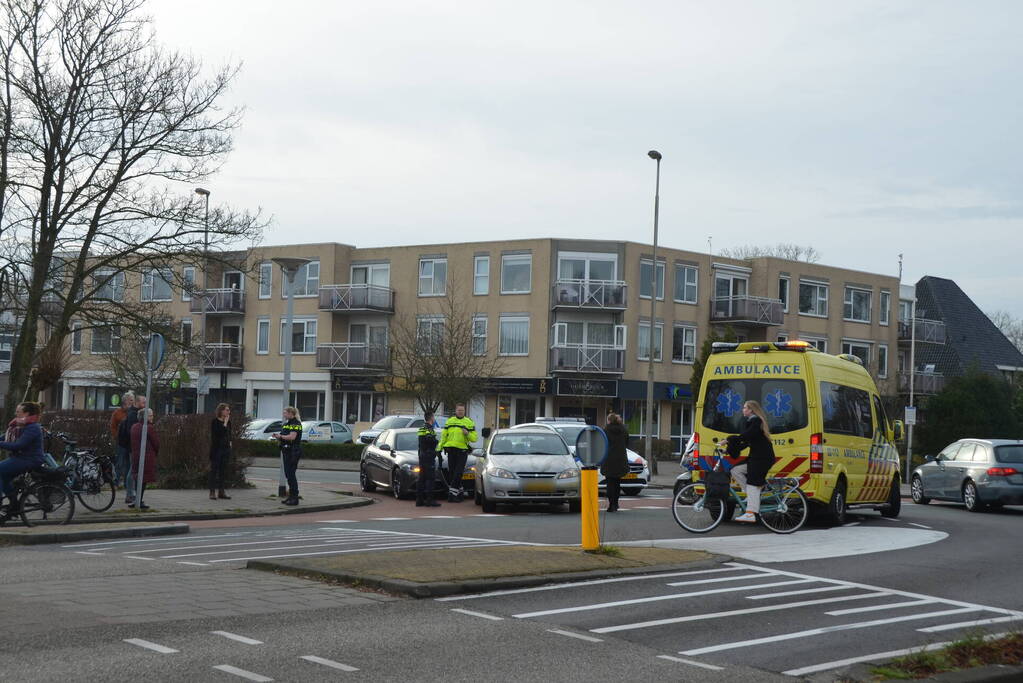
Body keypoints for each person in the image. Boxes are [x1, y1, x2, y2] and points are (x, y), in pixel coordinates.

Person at [729, 400, 775, 523]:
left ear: (751, 410)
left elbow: (746, 436)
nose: (743, 410)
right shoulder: (751, 422)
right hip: (756, 458)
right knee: (736, 470)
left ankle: (750, 514)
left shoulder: (756, 421)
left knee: (752, 483)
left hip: (762, 458)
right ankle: (751, 497)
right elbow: (746, 442)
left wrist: (729, 440)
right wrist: (728, 449)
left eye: (745, 407)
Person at [0, 402, 46, 513]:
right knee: (4, 478)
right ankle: (14, 505)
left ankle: (10, 504)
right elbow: (5, 438)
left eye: (18, 411)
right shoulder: (19, 426)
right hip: (20, 458)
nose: (15, 413)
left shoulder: (33, 427)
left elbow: (19, 445)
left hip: (30, 459)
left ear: (26, 413)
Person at [438, 403, 476, 502]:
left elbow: (474, 438)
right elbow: (444, 436)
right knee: (452, 473)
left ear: (465, 411)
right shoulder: (449, 421)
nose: (460, 412)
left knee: (458, 473)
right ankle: (460, 492)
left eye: (462, 410)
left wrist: (467, 433)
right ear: (455, 411)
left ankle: (452, 495)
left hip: (462, 451)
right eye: (459, 410)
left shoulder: (469, 422)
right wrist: (439, 448)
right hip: (451, 450)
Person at [118, 394, 145, 505]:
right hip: (133, 446)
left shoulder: (134, 413)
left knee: (132, 469)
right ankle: (130, 494)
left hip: (132, 446)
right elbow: (132, 431)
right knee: (132, 470)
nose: (145, 404)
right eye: (143, 402)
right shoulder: (133, 415)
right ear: (137, 403)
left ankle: (131, 493)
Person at [129, 408, 159, 510]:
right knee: (143, 479)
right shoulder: (148, 428)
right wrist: (155, 453)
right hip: (147, 457)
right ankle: (138, 501)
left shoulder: (134, 427)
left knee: (138, 478)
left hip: (135, 456)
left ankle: (136, 500)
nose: (152, 417)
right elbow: (156, 443)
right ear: (146, 417)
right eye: (150, 416)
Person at [272, 406, 303, 506]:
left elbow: (292, 437)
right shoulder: (287, 424)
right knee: (288, 475)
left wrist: (280, 436)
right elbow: (285, 436)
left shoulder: (296, 424)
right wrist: (278, 437)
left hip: (293, 451)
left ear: (291, 413)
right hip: (286, 451)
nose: (284, 414)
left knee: (291, 475)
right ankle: (291, 497)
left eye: (285, 412)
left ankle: (295, 498)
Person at [601, 413, 629, 513]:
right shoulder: (623, 430)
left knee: (610, 483)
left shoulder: (605, 430)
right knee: (617, 482)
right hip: (620, 459)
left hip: (609, 459)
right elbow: (627, 442)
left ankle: (611, 504)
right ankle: (616, 503)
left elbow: (602, 443)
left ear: (609, 420)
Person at [415, 411, 442, 507]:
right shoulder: (429, 429)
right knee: (430, 479)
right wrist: (436, 441)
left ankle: (419, 500)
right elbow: (430, 440)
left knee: (422, 478)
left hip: (422, 456)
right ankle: (430, 500)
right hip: (429, 456)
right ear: (431, 418)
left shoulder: (421, 428)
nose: (434, 419)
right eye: (433, 417)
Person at [109, 391, 134, 490]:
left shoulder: (133, 413)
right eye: (130, 400)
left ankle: (127, 484)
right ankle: (116, 482)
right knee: (119, 462)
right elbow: (113, 426)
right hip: (121, 442)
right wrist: (117, 437)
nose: (132, 402)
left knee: (129, 463)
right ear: (125, 401)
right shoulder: (117, 413)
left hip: (131, 442)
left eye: (133, 400)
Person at [209, 403, 232, 501]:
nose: (228, 412)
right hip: (217, 449)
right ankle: (212, 492)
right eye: (227, 410)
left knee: (223, 471)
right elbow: (218, 434)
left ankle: (221, 492)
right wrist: (225, 423)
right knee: (214, 471)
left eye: (229, 410)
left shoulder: (229, 422)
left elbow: (229, 434)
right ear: (221, 411)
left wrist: (230, 443)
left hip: (225, 449)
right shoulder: (215, 422)